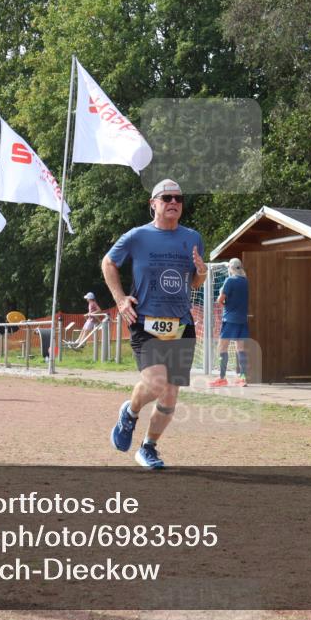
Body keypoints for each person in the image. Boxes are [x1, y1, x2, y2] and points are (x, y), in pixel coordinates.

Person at [102, 178, 206, 468]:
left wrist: (202, 273)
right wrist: (121, 299)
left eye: (178, 199)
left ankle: (148, 448)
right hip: (144, 320)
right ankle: (130, 413)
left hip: (181, 324)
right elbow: (108, 263)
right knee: (157, 382)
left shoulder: (193, 238)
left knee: (170, 395)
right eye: (167, 198)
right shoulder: (137, 236)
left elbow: (194, 280)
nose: (174, 202)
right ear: (153, 204)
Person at [209, 257, 250, 387]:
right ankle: (242, 378)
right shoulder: (245, 281)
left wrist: (222, 299)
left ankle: (222, 377)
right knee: (240, 349)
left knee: (222, 347)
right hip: (242, 320)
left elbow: (220, 300)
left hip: (230, 319)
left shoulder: (229, 281)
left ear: (231, 268)